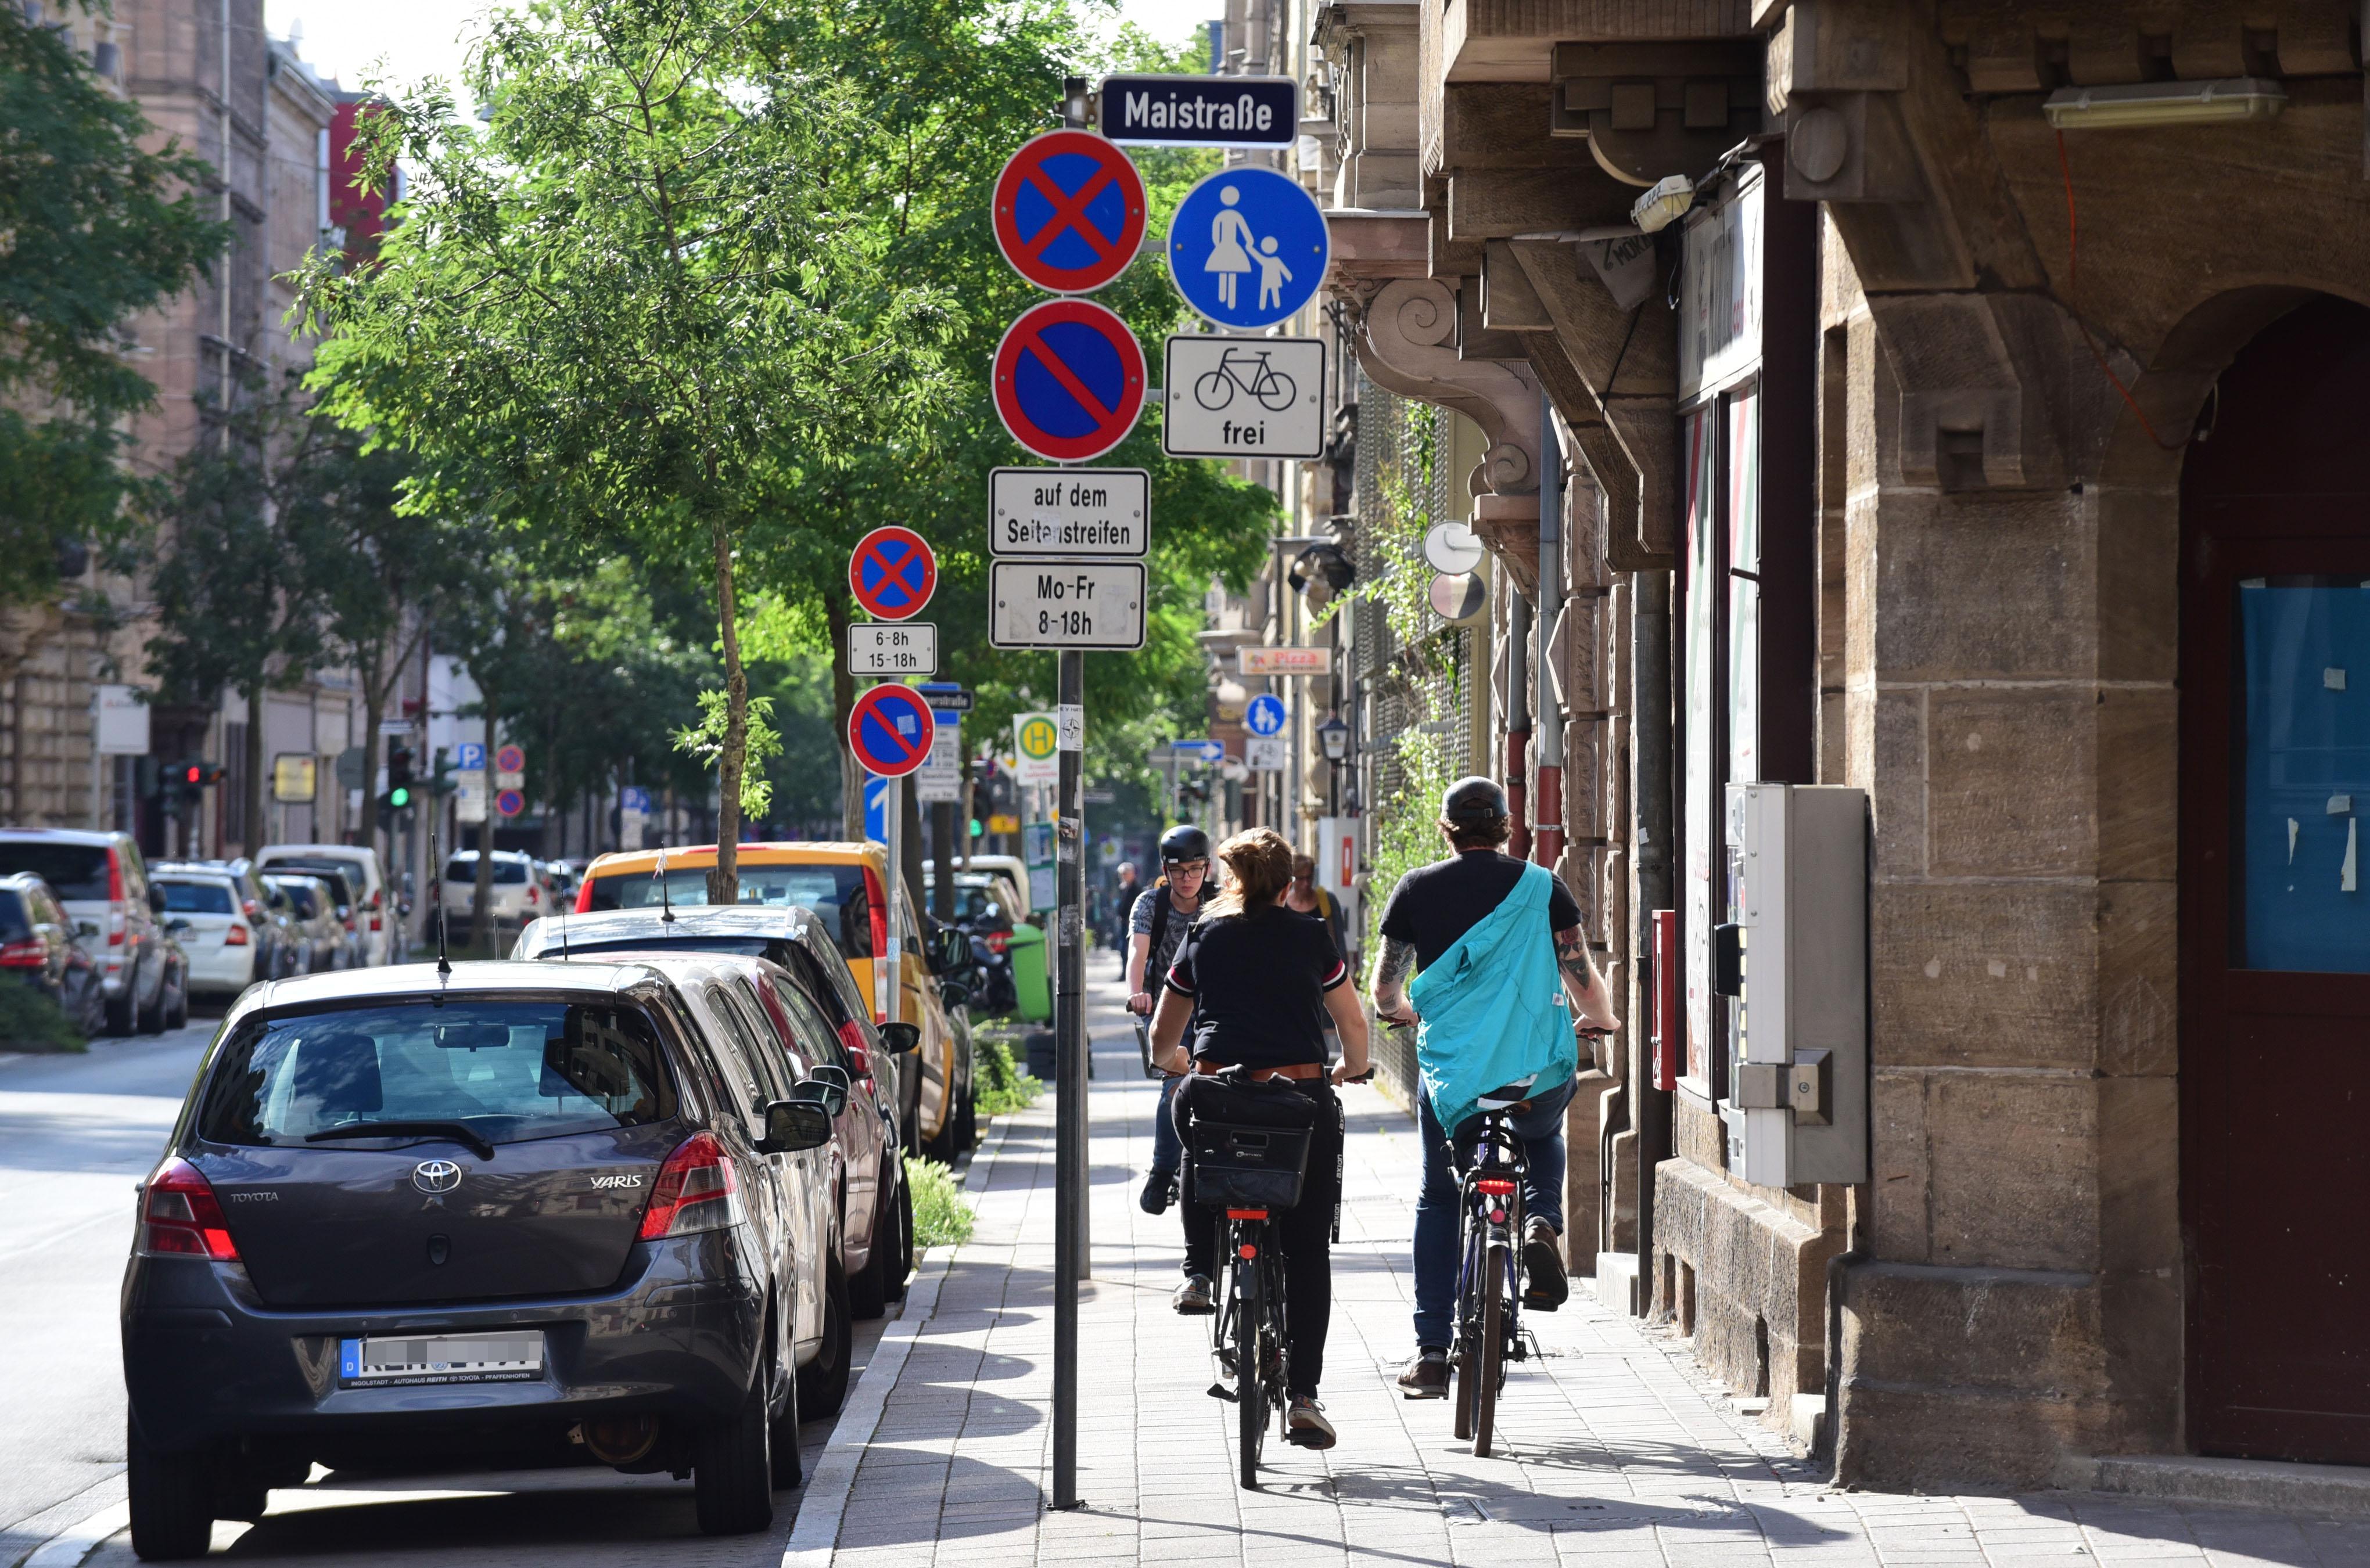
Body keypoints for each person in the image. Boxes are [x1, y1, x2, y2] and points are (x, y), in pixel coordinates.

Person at [1369, 776, 1620, 1400]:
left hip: (1457, 1082)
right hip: (1530, 1075)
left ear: (1447, 830)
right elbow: (1580, 976)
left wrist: (1401, 1008)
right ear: (1508, 827)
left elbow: (1383, 986)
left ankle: (1431, 1353)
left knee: (1438, 1194)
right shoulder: (1542, 887)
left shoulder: (1416, 890)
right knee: (1540, 1135)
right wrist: (1606, 1018)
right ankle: (1540, 1221)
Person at [1148, 827, 1370, 1450]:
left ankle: (1197, 1270)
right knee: (1306, 1250)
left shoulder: (1204, 935)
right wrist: (1352, 1066)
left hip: (1221, 1092)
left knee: (1193, 1128)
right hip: (1298, 1102)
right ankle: (1304, 1393)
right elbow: (1350, 1020)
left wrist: (1171, 1060)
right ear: (1284, 882)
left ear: (1234, 878)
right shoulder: (1312, 936)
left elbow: (1167, 1029)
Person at [1126, 826, 1209, 1214]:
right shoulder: (1149, 905)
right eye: (1179, 871)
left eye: (1195, 869)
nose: (1188, 879)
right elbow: (1137, 956)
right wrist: (1137, 992)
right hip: (1164, 1009)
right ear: (1166, 870)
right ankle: (1162, 1171)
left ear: (1207, 869)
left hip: (1212, 1008)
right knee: (1176, 1084)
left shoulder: (1219, 905)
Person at [1108, 861, 1140, 949]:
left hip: (1131, 922)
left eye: (1125, 874)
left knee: (1128, 948)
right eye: (1122, 874)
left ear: (1132, 874)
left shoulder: (1136, 889)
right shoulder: (1123, 888)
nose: (1123, 876)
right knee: (1123, 948)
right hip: (1123, 922)